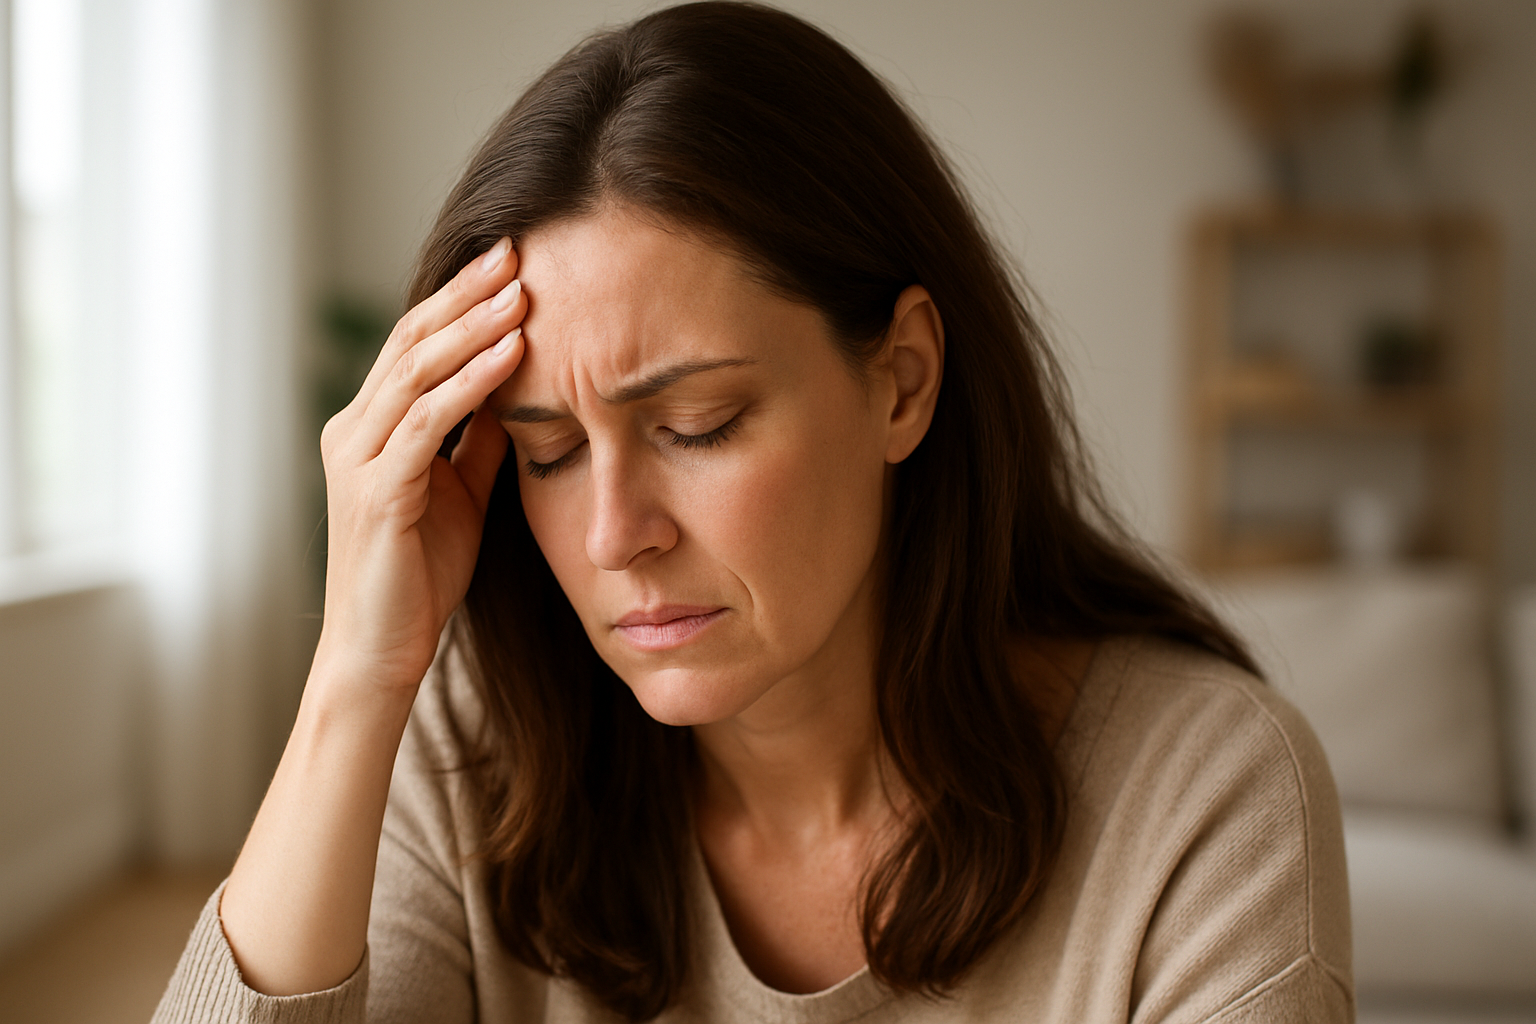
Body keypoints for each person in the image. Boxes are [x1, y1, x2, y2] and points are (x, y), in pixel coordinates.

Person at [153, 3, 1353, 1022]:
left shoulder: (1205, 796)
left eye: (698, 427)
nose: (617, 532)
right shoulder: (478, 749)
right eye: (551, 450)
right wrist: (355, 678)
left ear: (904, 380)